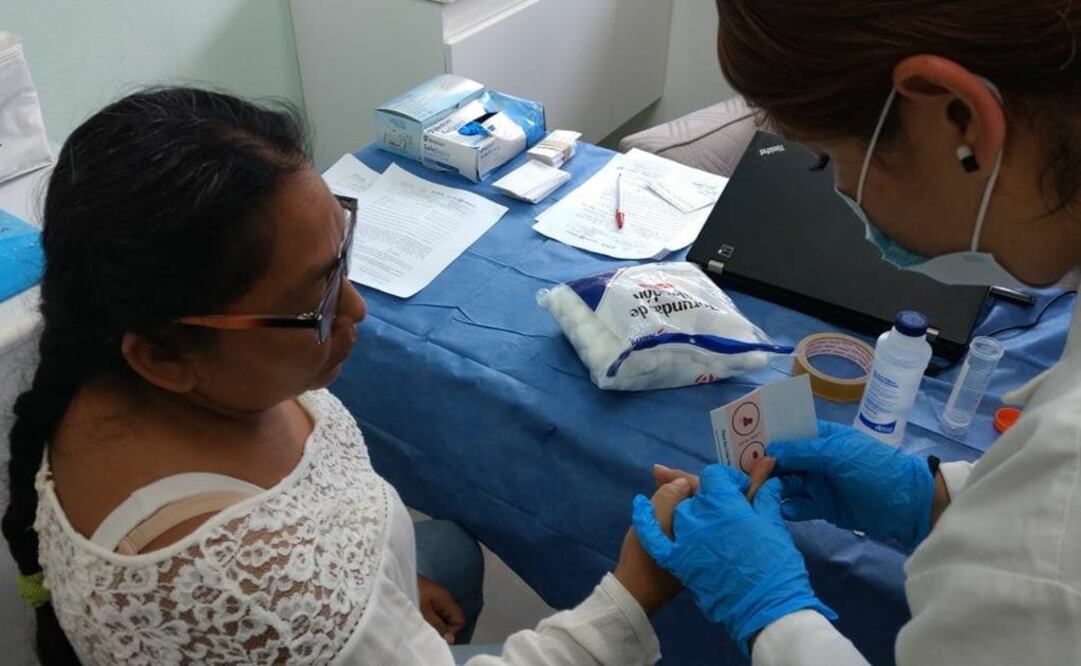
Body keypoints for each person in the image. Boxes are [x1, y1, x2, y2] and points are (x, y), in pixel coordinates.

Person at [1, 87, 686, 665]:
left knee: (449, 551)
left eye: (341, 255)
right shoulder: (258, 593)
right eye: (317, 297)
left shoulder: (105, 373)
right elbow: (287, 611)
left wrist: (378, 588)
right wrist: (635, 593)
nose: (355, 309)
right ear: (162, 357)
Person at [633, 1, 1081, 664]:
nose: (839, 187)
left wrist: (770, 615)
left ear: (955, 115)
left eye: (824, 158)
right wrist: (933, 498)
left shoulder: (1055, 525)